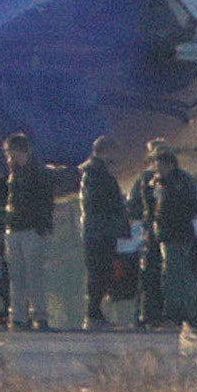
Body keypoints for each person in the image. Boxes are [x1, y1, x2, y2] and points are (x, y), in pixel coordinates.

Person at [134, 142, 197, 328]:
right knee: (176, 274)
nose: (155, 168)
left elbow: (189, 206)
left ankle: (180, 314)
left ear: (168, 164)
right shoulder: (162, 181)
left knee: (175, 275)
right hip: (168, 234)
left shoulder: (176, 182)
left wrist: (173, 220)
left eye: (158, 163)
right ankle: (182, 313)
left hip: (176, 233)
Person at [0, 131, 60, 329]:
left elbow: (45, 203)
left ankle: (39, 314)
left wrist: (42, 227)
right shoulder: (14, 173)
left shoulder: (38, 173)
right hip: (15, 228)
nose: (8, 157)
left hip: (31, 229)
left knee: (34, 275)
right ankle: (18, 316)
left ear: (19, 151)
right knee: (16, 276)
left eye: (10, 152)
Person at [78, 136, 127, 329]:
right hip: (100, 230)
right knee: (99, 271)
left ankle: (95, 312)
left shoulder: (96, 172)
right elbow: (96, 202)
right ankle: (93, 313)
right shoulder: (96, 173)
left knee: (101, 271)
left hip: (99, 229)